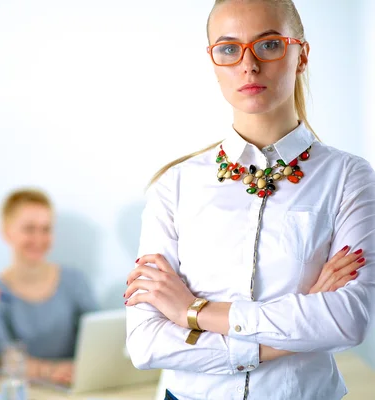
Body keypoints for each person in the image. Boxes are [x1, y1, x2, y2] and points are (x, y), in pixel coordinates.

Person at [124, 1, 375, 399]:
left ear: (302, 54)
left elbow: (347, 321)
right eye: (228, 49)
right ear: (214, 63)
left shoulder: (349, 177)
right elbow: (147, 343)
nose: (249, 65)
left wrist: (194, 312)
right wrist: (299, 323)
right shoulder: (174, 186)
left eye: (269, 45)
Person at [0, 188, 97, 385]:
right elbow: (2, 356)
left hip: (72, 390)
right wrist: (52, 371)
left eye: (46, 229)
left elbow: (97, 340)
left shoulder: (75, 282)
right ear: (6, 232)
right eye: (29, 229)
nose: (39, 239)